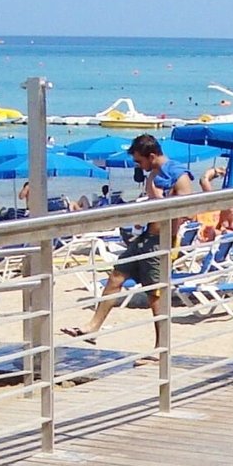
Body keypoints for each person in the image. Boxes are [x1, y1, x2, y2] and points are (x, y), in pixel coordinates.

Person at [64, 134, 195, 343]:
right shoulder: (153, 174)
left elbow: (187, 211)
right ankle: (93, 327)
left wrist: (158, 197)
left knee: (155, 296)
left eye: (139, 161)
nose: (138, 166)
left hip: (161, 242)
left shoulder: (179, 176)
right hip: (146, 237)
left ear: (151, 156)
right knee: (116, 277)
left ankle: (161, 348)